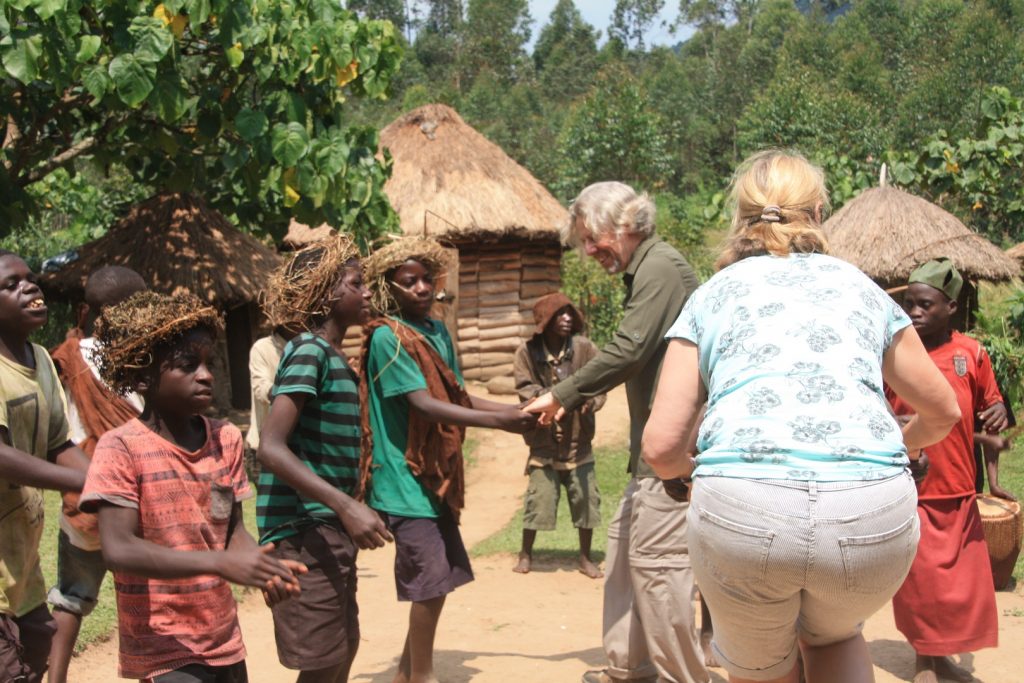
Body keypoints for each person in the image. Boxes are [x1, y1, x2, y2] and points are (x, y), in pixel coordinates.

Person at [641, 150, 961, 683]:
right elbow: (943, 410)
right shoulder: (863, 290)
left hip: (744, 509)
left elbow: (660, 446)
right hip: (871, 510)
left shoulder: (711, 296)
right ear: (817, 210)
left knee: (763, 667)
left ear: (741, 216)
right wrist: (906, 444)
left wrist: (683, 474)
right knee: (835, 636)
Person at [524, 183, 705, 683]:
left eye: (591, 238)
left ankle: (682, 677)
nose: (589, 251)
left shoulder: (661, 267)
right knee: (625, 550)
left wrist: (562, 395)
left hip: (672, 455)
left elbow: (629, 349)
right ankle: (631, 669)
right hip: (650, 452)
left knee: (661, 568)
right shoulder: (646, 269)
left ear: (623, 225)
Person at [80, 290, 304, 683]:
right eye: (188, 365)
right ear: (142, 377)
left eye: (208, 363)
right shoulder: (120, 447)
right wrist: (219, 563)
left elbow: (230, 530)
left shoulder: (226, 439)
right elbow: (118, 548)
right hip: (162, 645)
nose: (206, 375)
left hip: (221, 635)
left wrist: (263, 567)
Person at [359, 236, 537, 683]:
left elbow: (456, 394)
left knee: (436, 582)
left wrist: (515, 412)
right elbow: (422, 404)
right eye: (408, 281)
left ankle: (406, 673)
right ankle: (423, 677)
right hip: (402, 476)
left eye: (425, 279)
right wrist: (499, 425)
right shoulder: (388, 337)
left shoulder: (436, 330)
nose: (421, 288)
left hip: (432, 477)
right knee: (430, 582)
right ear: (389, 288)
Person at [257, 236, 393, 683]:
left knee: (341, 649)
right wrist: (346, 505)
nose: (368, 292)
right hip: (303, 533)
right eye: (357, 283)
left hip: (327, 530)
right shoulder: (308, 351)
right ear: (325, 293)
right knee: (321, 661)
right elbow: (271, 448)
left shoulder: (335, 357)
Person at [888, 258, 1005, 683]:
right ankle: (924, 660)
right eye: (910, 304)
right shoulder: (897, 353)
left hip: (958, 486)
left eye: (925, 305)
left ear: (951, 307)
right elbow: (882, 411)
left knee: (960, 585)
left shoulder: (971, 353)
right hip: (913, 485)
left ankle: (942, 657)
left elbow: (989, 410)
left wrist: (994, 477)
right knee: (921, 581)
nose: (914, 312)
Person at [47, 265, 146, 683]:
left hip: (84, 499)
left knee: (71, 597)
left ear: (87, 311)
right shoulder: (140, 358)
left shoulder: (65, 358)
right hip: (136, 502)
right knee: (145, 597)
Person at [0, 249, 89, 683]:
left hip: (21, 567)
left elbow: (57, 443)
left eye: (30, 279)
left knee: (38, 665)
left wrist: (105, 479)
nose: (29, 287)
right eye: (10, 284)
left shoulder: (39, 361)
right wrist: (81, 481)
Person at [512, 292, 606, 578]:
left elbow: (600, 383)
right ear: (545, 321)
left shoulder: (585, 349)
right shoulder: (527, 352)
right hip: (544, 443)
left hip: (579, 442)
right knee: (538, 500)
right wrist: (553, 399)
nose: (566, 319)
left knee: (586, 502)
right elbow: (525, 389)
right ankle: (526, 554)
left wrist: (589, 402)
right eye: (559, 314)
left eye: (569, 313)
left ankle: (584, 558)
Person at [245, 325, 293, 477]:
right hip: (264, 447)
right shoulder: (262, 349)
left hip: (297, 449)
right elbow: (261, 389)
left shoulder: (311, 347)